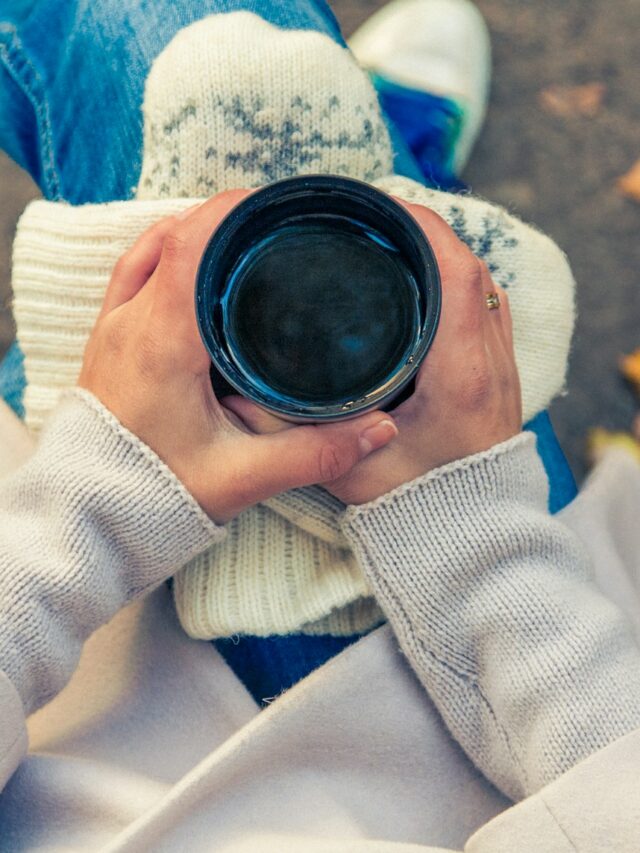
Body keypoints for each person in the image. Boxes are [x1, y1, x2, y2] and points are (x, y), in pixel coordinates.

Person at [1, 1, 640, 850]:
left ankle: (406, 151)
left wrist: (99, 502)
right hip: (520, 709)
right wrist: (470, 535)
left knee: (163, 29)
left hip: (81, 737)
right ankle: (409, 155)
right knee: (334, 162)